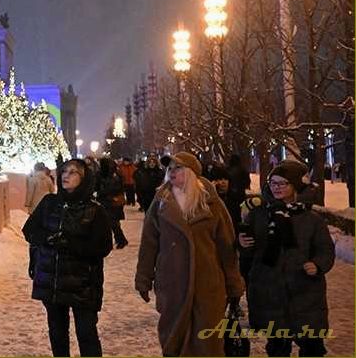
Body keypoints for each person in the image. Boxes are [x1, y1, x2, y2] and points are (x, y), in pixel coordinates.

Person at [134, 152, 245, 356]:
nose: (172, 173)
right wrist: (143, 278)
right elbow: (149, 243)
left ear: (191, 173)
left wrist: (234, 283)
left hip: (208, 283)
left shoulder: (211, 203)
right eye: (170, 169)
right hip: (172, 282)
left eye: (178, 168)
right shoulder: (161, 201)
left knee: (207, 341)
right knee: (173, 338)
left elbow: (226, 246)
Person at [239, 159, 335, 357]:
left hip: (305, 294)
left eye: (283, 183)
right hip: (270, 292)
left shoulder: (311, 219)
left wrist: (317, 265)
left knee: (312, 348)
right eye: (273, 183)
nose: (277, 188)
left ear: (296, 186)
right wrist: (242, 243)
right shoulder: (259, 215)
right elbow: (249, 253)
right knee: (277, 348)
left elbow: (325, 250)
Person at [23, 159, 113, 357]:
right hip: (52, 282)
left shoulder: (95, 210)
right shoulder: (49, 203)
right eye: (65, 171)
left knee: (86, 334)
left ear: (84, 178)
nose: (66, 175)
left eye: (73, 172)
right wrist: (47, 238)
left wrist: (70, 244)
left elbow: (103, 246)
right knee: (57, 334)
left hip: (82, 284)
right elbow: (30, 230)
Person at [95, 157, 129, 249]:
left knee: (112, 223)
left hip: (112, 201)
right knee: (107, 223)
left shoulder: (115, 175)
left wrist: (102, 192)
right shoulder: (100, 175)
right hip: (105, 202)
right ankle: (117, 240)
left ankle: (120, 240)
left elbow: (117, 188)